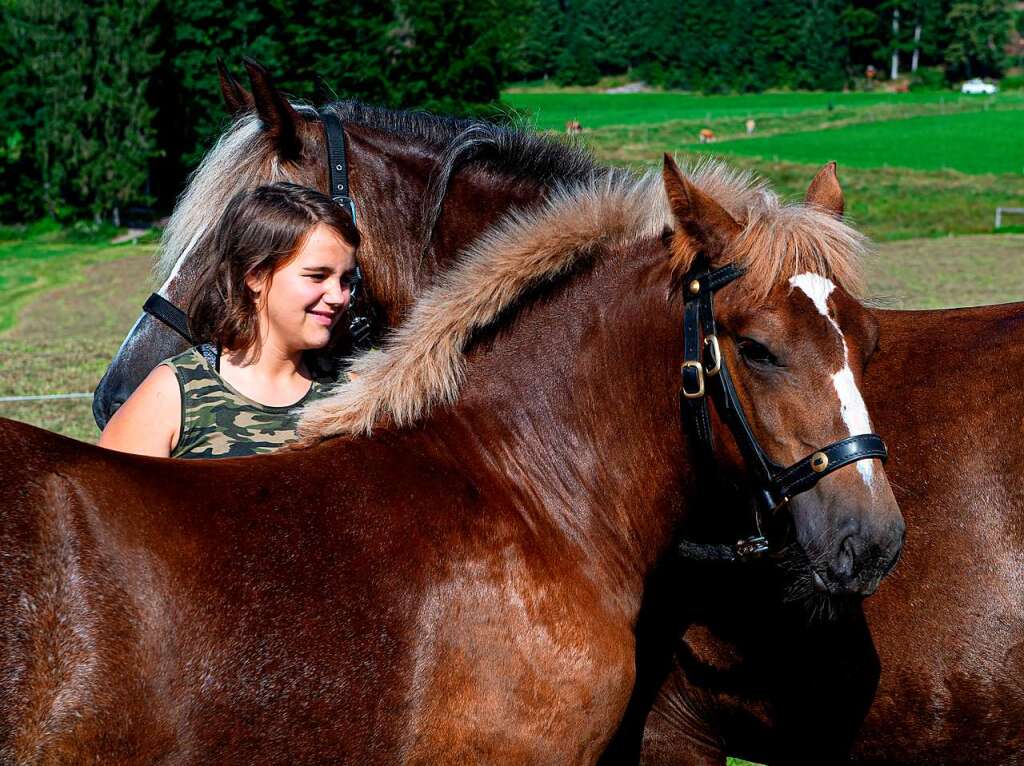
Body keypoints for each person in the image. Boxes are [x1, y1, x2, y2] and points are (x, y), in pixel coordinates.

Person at [99, 182, 359, 458]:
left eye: (346, 280)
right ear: (255, 276)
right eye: (317, 276)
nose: (338, 296)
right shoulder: (173, 396)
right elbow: (108, 498)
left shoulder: (352, 393)